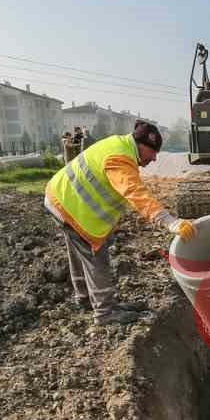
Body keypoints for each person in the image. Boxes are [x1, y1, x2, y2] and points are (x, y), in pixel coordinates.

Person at [44, 119, 195, 326]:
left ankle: (86, 299)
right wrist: (170, 222)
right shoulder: (120, 158)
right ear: (141, 145)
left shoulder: (119, 145)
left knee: (79, 253)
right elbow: (135, 193)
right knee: (96, 256)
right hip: (71, 206)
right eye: (153, 151)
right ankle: (105, 312)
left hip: (60, 199)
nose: (154, 157)